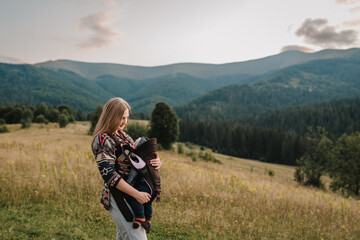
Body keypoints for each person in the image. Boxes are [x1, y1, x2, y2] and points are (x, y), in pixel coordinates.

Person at [91, 97, 162, 240]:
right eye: (121, 117)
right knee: (137, 237)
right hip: (118, 195)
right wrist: (136, 194)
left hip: (131, 194)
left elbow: (139, 159)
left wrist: (156, 161)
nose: (124, 122)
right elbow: (109, 176)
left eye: (126, 117)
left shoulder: (124, 136)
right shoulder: (102, 140)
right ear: (111, 117)